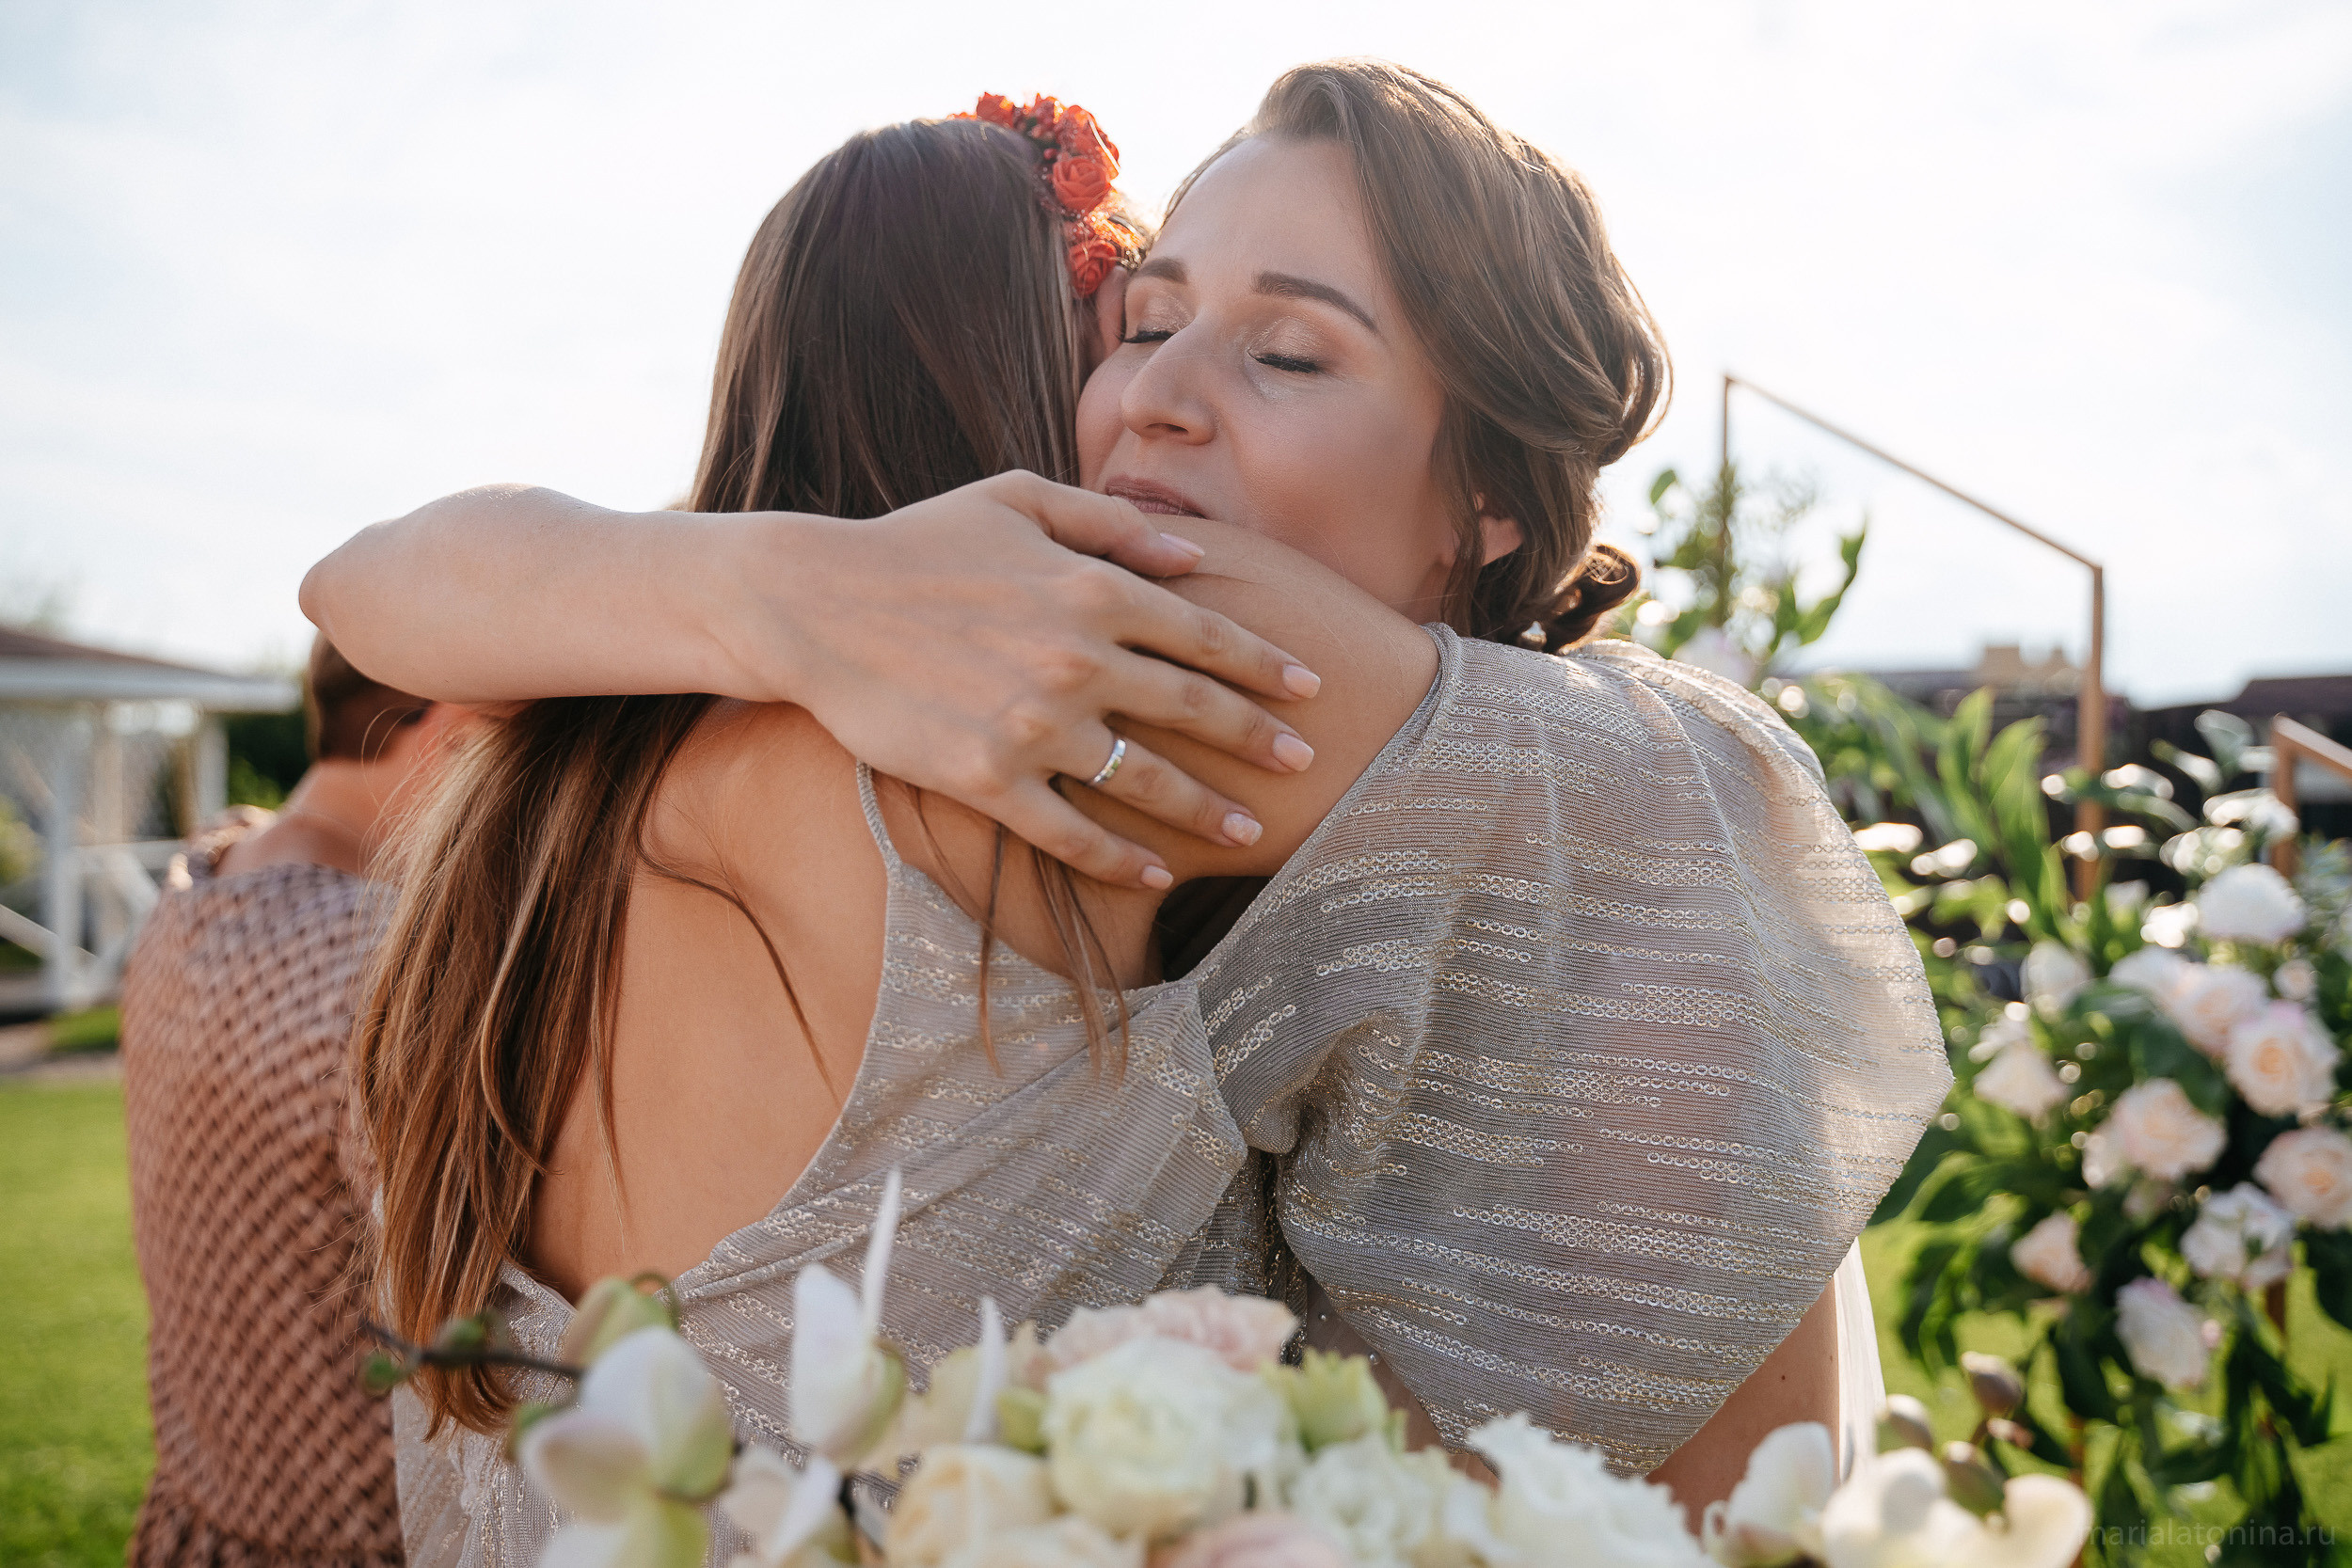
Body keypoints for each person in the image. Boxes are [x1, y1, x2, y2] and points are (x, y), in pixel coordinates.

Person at [320, 66, 1946, 1560]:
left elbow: (362, 580)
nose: (1153, 399)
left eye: (1284, 350)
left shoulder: (543, 784)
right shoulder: (1092, 698)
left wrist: (777, 583)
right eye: (1137, 326)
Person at [118, 636, 460, 1568]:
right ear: (452, 731)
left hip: (196, 1516)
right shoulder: (374, 961)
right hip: (357, 1538)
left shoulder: (206, 874)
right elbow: (471, 1318)